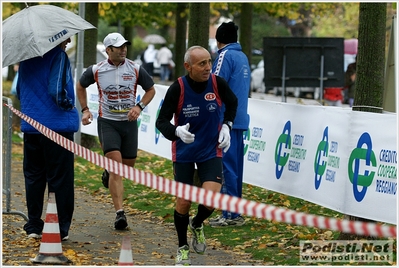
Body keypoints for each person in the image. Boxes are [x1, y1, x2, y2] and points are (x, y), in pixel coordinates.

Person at [156, 46, 238, 265]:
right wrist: (176, 131)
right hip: (184, 152)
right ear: (187, 66)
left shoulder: (217, 83)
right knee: (183, 202)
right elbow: (161, 121)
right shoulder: (178, 88)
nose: (208, 67)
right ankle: (182, 247)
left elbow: (233, 103)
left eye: (209, 62)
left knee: (211, 199)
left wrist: (227, 126)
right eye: (202, 63)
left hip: (211, 150)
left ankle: (198, 223)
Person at [76, 32, 156, 230]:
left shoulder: (135, 69)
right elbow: (80, 86)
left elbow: (151, 90)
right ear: (108, 50)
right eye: (119, 47)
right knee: (117, 168)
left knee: (126, 169)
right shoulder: (96, 69)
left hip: (128, 125)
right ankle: (120, 213)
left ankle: (108, 172)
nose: (123, 49)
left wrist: (139, 107)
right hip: (108, 123)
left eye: (125, 46)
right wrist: (85, 109)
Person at [16, 38, 79, 241]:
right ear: (54, 37)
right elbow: (56, 91)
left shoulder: (26, 60)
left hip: (31, 126)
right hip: (57, 127)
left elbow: (19, 91)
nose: (68, 41)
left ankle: (34, 224)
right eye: (65, 37)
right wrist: (68, 104)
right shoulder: (59, 56)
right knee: (59, 179)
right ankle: (59, 228)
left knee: (34, 176)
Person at [209, 21, 250, 227]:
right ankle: (236, 212)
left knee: (226, 167)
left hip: (226, 120)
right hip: (240, 119)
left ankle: (229, 215)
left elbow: (214, 85)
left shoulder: (224, 55)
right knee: (235, 167)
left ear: (219, 40)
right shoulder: (242, 56)